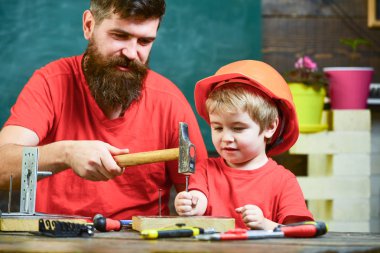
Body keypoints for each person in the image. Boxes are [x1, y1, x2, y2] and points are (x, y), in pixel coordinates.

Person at [0, 0, 207, 219]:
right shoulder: (50, 83)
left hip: (141, 244)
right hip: (57, 241)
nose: (130, 52)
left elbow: (202, 189)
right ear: (89, 25)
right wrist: (66, 153)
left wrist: (196, 200)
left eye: (144, 41)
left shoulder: (169, 100)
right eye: (119, 35)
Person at [174, 60, 313, 230]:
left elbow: (302, 230)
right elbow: (199, 198)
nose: (226, 138)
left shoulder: (284, 181)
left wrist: (264, 224)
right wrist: (191, 204)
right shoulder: (205, 170)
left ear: (270, 127)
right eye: (217, 127)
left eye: (238, 128)